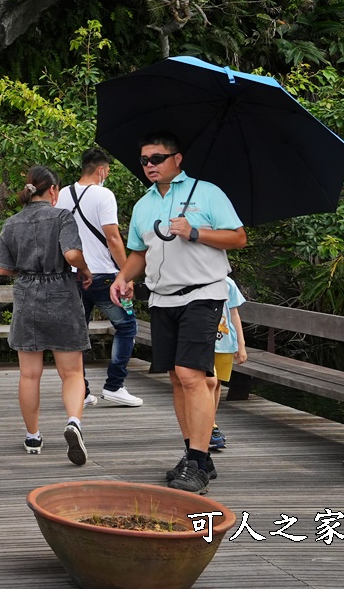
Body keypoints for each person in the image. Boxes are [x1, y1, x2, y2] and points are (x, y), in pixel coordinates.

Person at [111, 130, 247, 495]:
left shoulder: (207, 193)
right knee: (176, 377)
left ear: (177, 159)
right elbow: (139, 252)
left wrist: (196, 232)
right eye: (144, 160)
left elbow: (238, 237)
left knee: (191, 374)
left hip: (203, 294)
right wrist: (123, 278)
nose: (150, 166)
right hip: (162, 298)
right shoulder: (143, 205)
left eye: (157, 158)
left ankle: (199, 464)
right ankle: (195, 455)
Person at [0, 166, 93, 465]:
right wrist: (85, 270)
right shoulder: (62, 216)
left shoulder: (12, 222)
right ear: (53, 190)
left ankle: (33, 436)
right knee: (71, 372)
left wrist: (24, 270)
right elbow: (72, 255)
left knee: (29, 374)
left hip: (27, 296)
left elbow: (1, 268)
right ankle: (73, 421)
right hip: (61, 292)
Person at [55, 147, 143, 408]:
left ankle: (80, 390)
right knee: (127, 327)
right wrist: (126, 273)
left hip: (72, 275)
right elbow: (113, 238)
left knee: (76, 334)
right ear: (102, 170)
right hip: (104, 276)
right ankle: (115, 385)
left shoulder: (61, 195)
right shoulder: (104, 195)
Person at [206, 276, 248, 453]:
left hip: (225, 343)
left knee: (217, 385)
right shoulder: (195, 280)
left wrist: (241, 344)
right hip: (205, 342)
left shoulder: (228, 283)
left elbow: (234, 313)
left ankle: (210, 423)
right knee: (209, 382)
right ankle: (208, 426)